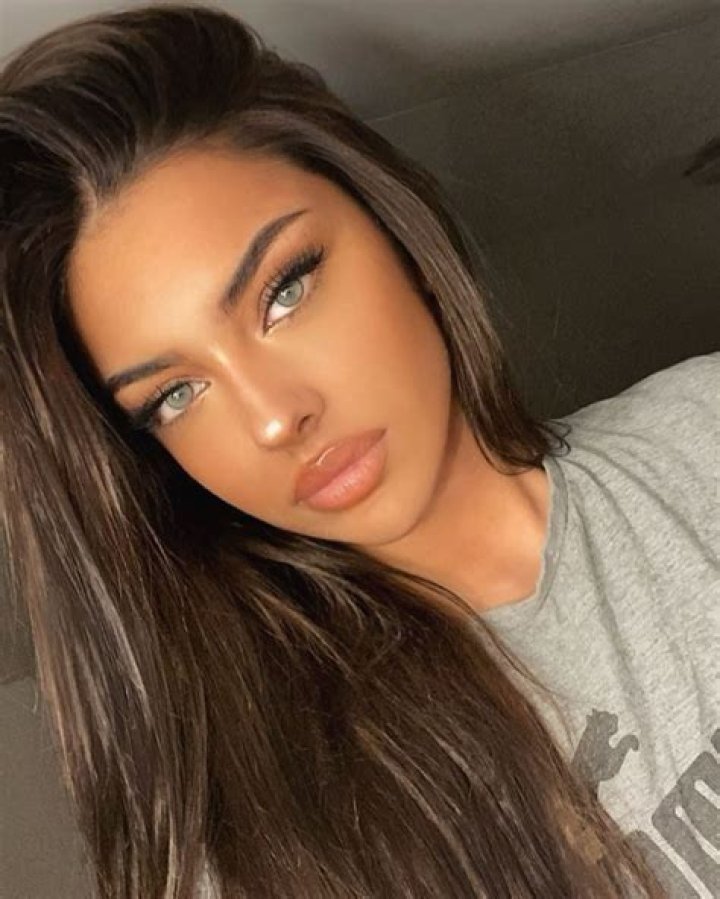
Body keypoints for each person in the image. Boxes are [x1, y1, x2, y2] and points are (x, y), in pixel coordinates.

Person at [0, 4, 716, 897]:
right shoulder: (253, 842)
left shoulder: (704, 428)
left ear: (392, 222)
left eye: (283, 291)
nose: (272, 419)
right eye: (175, 395)